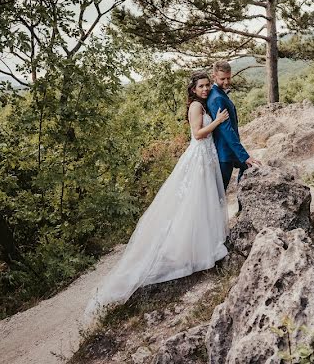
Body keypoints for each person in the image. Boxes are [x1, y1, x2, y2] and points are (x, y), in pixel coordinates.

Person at [81, 71, 230, 326]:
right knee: (190, 204)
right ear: (193, 89)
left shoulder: (202, 104)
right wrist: (217, 122)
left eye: (207, 85)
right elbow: (197, 134)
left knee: (200, 204)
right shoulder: (196, 106)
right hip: (198, 158)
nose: (205, 89)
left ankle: (201, 246)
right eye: (201, 86)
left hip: (206, 158)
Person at [207, 61, 261, 189]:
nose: (226, 82)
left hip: (230, 149)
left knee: (247, 167)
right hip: (224, 151)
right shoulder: (217, 98)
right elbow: (226, 129)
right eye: (222, 79)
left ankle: (243, 204)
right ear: (214, 76)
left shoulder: (218, 93)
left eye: (228, 78)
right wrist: (245, 156)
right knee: (221, 190)